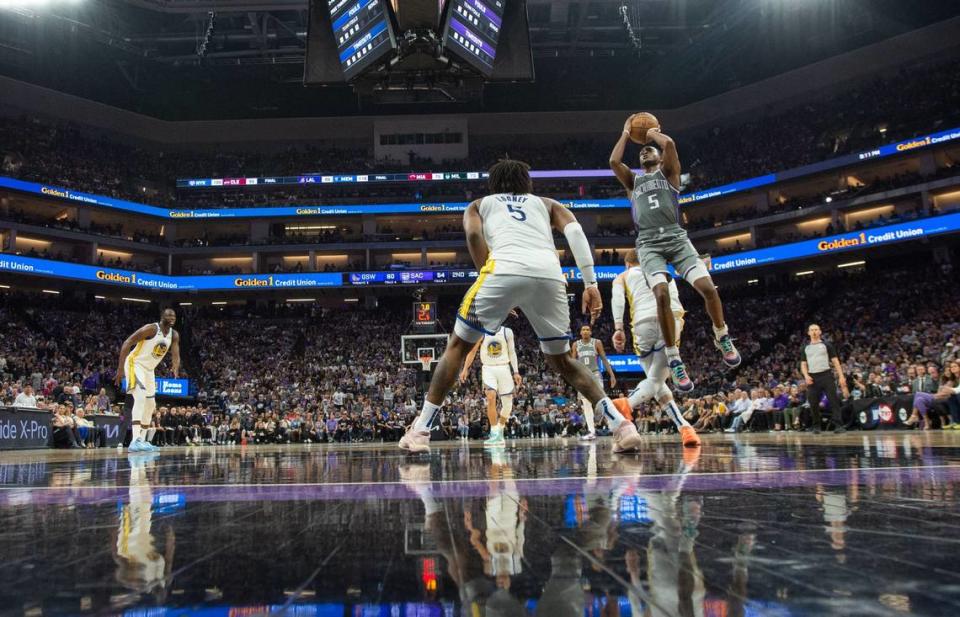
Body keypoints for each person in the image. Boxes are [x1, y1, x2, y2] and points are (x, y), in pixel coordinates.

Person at [399, 159, 643, 454]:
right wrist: (590, 283)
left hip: (501, 269)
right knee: (563, 360)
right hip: (549, 275)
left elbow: (474, 236)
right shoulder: (547, 203)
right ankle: (621, 425)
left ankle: (421, 430)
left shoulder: (479, 204)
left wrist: (491, 283)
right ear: (527, 183)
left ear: (493, 185)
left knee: (457, 346)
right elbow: (576, 233)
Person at [609, 116, 740, 392]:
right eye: (642, 150)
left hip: (676, 238)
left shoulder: (669, 173)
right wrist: (625, 133)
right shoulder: (633, 181)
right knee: (661, 295)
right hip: (649, 244)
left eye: (649, 149)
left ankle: (721, 335)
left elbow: (669, 144)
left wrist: (652, 133)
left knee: (708, 289)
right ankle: (674, 357)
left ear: (658, 156)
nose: (645, 151)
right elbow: (613, 162)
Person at [608, 249, 700, 448]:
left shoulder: (623, 276)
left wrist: (618, 328)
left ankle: (683, 427)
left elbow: (617, 299)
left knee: (655, 379)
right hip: (670, 320)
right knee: (656, 380)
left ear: (627, 264)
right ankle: (629, 405)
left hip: (642, 324)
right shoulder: (662, 271)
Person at [115, 308, 181, 452]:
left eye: (174, 315)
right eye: (169, 315)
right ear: (162, 317)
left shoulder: (174, 335)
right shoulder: (151, 329)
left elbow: (175, 353)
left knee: (151, 404)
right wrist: (120, 369)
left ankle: (143, 440)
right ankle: (135, 440)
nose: (172, 317)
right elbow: (127, 342)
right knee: (140, 396)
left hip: (149, 370)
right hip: (135, 363)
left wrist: (175, 365)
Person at [460, 323, 522, 448]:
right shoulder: (481, 332)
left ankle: (501, 427)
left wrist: (515, 371)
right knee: (490, 396)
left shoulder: (507, 332)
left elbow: (512, 352)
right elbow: (472, 351)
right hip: (488, 368)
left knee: (507, 405)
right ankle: (494, 432)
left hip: (504, 367)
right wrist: (465, 368)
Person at [570, 325, 616, 441]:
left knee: (601, 399)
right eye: (583, 329)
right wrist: (573, 378)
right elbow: (572, 362)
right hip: (581, 374)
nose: (585, 331)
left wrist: (611, 374)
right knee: (586, 403)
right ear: (580, 332)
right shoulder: (576, 344)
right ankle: (591, 431)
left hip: (595, 373)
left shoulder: (597, 342)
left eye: (587, 329)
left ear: (590, 332)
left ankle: (613, 425)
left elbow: (604, 359)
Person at [800, 324, 848, 433]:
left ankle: (839, 425)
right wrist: (806, 376)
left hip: (826, 375)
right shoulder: (805, 347)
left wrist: (841, 377)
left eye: (816, 330)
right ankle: (816, 426)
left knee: (833, 400)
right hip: (812, 377)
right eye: (812, 330)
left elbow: (835, 361)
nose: (814, 332)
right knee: (813, 402)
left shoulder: (827, 345)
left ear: (820, 332)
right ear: (808, 333)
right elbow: (803, 364)